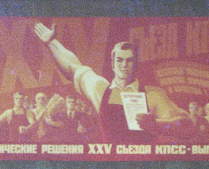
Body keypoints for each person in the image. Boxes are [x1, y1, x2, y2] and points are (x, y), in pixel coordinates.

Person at [34, 22, 191, 142]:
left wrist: (156, 124)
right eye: (120, 60)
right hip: (111, 166)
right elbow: (73, 67)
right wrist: (51, 43)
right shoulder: (100, 89)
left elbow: (187, 126)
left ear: (136, 64)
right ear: (112, 64)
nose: (124, 65)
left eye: (129, 60)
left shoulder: (152, 95)